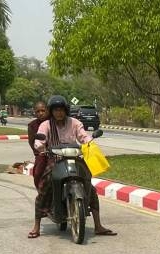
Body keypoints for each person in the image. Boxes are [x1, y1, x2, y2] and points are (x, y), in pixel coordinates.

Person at [28, 95, 115, 239]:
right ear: (51, 111)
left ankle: (98, 225)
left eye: (61, 110)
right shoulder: (46, 125)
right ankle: (36, 226)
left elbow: (83, 136)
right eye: (55, 110)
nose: (59, 113)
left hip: (74, 157)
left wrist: (89, 143)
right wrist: (40, 145)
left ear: (66, 110)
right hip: (54, 159)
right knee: (44, 186)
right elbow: (41, 137)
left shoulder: (75, 122)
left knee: (90, 188)